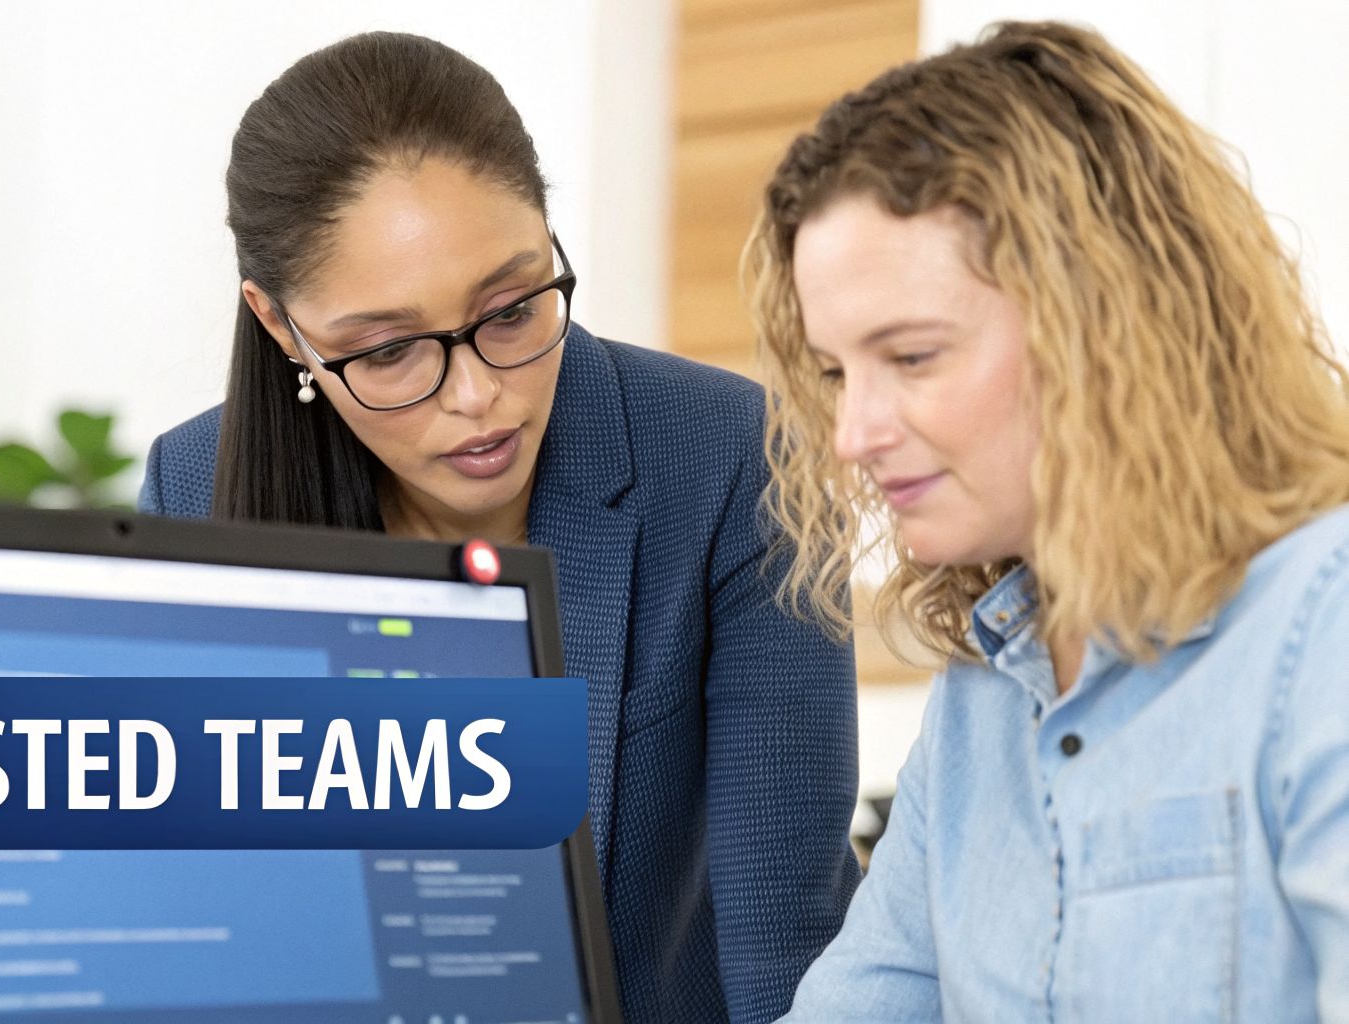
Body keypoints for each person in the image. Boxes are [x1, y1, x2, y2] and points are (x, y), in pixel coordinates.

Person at [137, 31, 859, 1023]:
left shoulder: (729, 455)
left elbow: (789, 947)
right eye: (388, 350)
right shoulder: (191, 487)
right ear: (279, 325)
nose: (480, 396)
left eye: (513, 309)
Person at [748, 21, 1349, 1022]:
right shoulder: (981, 695)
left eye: (911, 357)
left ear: (1100, 327)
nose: (849, 433)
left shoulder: (1316, 629)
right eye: (832, 373)